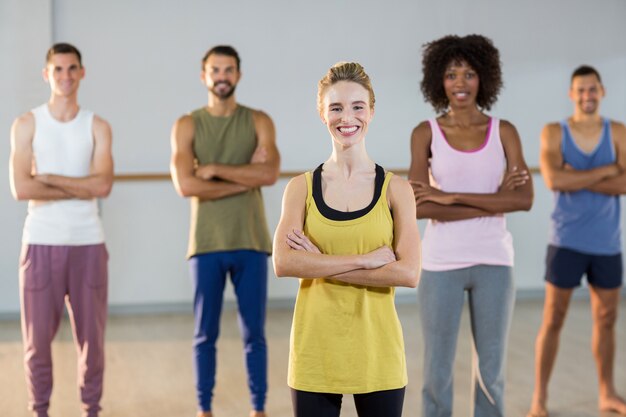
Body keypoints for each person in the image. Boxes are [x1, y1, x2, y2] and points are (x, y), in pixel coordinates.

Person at [273, 62, 421, 417]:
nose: (347, 117)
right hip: (314, 355)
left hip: (378, 355)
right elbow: (284, 263)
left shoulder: (397, 190)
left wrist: (318, 263)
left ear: (371, 110)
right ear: (322, 113)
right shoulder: (300, 189)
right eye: (336, 107)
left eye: (357, 106)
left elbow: (408, 273)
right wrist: (366, 259)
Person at [408, 34, 533, 417]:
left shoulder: (504, 131)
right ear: (438, 81)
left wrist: (449, 198)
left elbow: (523, 200)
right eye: (451, 75)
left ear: (484, 78)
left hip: (494, 261)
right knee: (436, 372)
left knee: (491, 372)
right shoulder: (425, 133)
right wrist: (493, 200)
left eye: (469, 74)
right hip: (440, 263)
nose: (460, 83)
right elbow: (419, 206)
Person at [170, 45, 279, 417]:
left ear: (239, 74)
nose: (222, 76)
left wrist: (213, 168)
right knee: (205, 335)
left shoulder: (259, 120)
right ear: (204, 76)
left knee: (255, 335)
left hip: (250, 240)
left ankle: (258, 408)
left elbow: (268, 174)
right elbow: (186, 185)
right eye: (215, 70)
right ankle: (204, 409)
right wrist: (243, 178)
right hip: (206, 244)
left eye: (229, 69)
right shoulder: (187, 124)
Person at [9, 43, 113, 417]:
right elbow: (22, 188)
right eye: (58, 70)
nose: (65, 76)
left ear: (82, 73)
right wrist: (80, 184)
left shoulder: (97, 126)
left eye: (72, 69)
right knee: (36, 344)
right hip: (40, 243)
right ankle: (39, 411)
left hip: (88, 243)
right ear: (47, 75)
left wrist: (49, 177)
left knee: (93, 342)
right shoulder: (26, 124)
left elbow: (102, 187)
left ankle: (91, 410)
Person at [526, 65, 626, 417]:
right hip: (566, 240)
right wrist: (606, 170)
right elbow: (554, 180)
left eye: (592, 89)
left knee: (608, 318)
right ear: (572, 94)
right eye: (580, 90)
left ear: (602, 91)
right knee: (553, 317)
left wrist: (576, 176)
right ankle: (539, 399)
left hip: (607, 242)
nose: (587, 96)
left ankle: (607, 393)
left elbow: (625, 184)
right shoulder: (555, 132)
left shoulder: (617, 132)